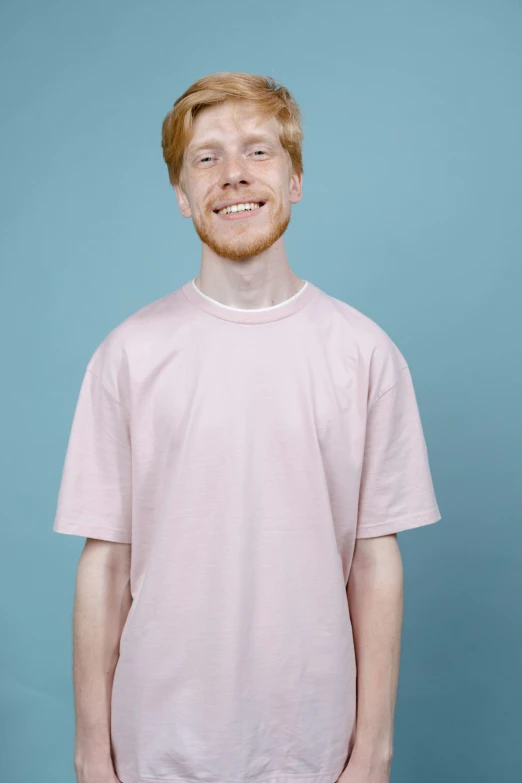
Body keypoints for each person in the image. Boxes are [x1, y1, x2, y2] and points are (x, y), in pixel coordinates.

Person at [53, 72, 442, 783]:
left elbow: (374, 561)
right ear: (180, 193)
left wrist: (373, 750)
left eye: (258, 152)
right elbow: (104, 564)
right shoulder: (127, 355)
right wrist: (92, 752)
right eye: (206, 158)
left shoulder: (363, 353)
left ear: (295, 179)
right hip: (155, 750)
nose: (233, 175)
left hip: (313, 749)